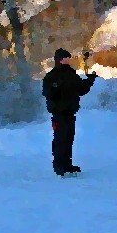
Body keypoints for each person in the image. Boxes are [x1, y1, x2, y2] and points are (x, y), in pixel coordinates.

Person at [42, 48, 97, 177]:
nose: (67, 60)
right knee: (60, 139)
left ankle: (67, 164)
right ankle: (59, 166)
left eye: (68, 58)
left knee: (68, 139)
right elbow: (47, 93)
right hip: (58, 114)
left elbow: (81, 89)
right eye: (64, 58)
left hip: (70, 113)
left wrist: (90, 80)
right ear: (58, 60)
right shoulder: (51, 76)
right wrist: (57, 86)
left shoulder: (72, 75)